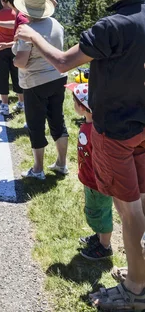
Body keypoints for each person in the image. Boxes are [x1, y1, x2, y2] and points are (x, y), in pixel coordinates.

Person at [16, 0, 145, 309]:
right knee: (141, 203)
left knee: (128, 208)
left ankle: (136, 288)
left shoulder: (110, 27)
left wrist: (31, 36)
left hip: (115, 129)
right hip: (142, 123)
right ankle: (139, 270)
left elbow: (62, 63)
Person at [12, 0, 68, 180]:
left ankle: (38, 169)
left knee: (36, 125)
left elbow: (21, 62)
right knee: (57, 120)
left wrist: (13, 59)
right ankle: (62, 163)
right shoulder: (56, 24)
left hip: (35, 82)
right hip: (58, 77)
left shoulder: (28, 31)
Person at [66, 82, 113, 260]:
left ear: (82, 106)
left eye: (74, 101)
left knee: (101, 212)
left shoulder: (95, 131)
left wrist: (100, 180)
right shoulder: (88, 125)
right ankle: (99, 236)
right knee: (94, 211)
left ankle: (105, 246)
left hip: (98, 182)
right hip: (90, 179)